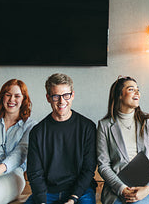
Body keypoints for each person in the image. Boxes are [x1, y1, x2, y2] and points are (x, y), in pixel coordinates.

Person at [26, 73, 97, 204]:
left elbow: (88, 168)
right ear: (48, 98)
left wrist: (73, 198)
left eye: (66, 95)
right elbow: (35, 173)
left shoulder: (88, 127)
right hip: (48, 192)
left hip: (80, 191)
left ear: (73, 95)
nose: (61, 101)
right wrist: (41, 201)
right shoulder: (37, 132)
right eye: (55, 96)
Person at [97, 76, 149, 204]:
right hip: (116, 188)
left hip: (146, 186)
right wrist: (122, 189)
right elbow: (103, 165)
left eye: (138, 89)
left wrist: (148, 188)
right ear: (119, 95)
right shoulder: (104, 126)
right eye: (131, 89)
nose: (137, 93)